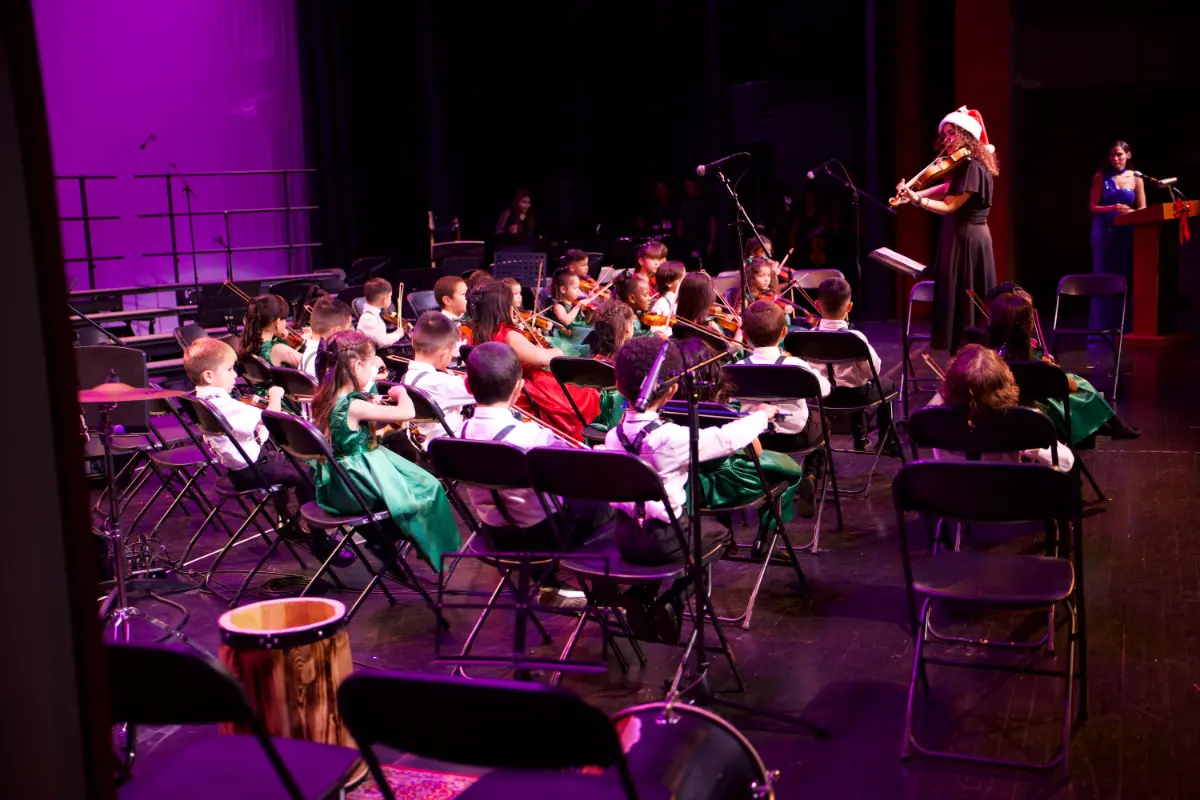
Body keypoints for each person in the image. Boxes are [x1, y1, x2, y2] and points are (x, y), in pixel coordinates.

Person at [601, 337, 780, 639]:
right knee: (717, 536)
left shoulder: (611, 437)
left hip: (625, 537)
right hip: (667, 539)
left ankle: (641, 594)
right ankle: (674, 601)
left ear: (619, 386)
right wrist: (762, 416)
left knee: (681, 536)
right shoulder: (670, 438)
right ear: (672, 390)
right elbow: (727, 439)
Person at [184, 338, 352, 566]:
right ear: (209, 376)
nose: (235, 375)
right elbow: (271, 418)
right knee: (308, 474)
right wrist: (275, 396)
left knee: (289, 462)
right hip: (252, 470)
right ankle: (319, 539)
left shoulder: (202, 399)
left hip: (247, 467)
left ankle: (286, 521)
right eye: (230, 369)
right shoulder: (222, 405)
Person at [311, 331, 460, 572]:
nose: (373, 370)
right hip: (357, 482)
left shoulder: (326, 394)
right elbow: (407, 413)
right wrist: (402, 393)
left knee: (416, 481)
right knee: (429, 488)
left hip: (338, 483)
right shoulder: (354, 405)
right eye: (371, 365)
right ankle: (432, 550)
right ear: (357, 366)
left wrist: (371, 386)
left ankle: (382, 539)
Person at [458, 343, 609, 579]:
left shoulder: (460, 433)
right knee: (604, 504)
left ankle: (546, 581)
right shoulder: (533, 437)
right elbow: (576, 470)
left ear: (467, 386)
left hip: (494, 536)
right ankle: (600, 588)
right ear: (519, 388)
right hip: (542, 537)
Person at [894, 105, 999, 354]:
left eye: (953, 133)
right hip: (957, 237)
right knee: (956, 300)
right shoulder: (963, 165)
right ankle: (959, 357)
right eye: (945, 134)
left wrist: (917, 200)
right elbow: (946, 189)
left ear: (967, 136)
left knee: (965, 303)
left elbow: (950, 205)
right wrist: (913, 194)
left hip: (968, 240)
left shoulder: (973, 167)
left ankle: (969, 356)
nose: (947, 139)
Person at [677, 336, 806, 533]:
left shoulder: (666, 410)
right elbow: (755, 451)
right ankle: (767, 534)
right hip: (726, 485)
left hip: (684, 486)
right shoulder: (724, 413)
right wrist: (752, 421)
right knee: (791, 471)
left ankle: (725, 533)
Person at [987, 291, 1139, 441]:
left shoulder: (989, 358)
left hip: (1003, 419)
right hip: (1039, 416)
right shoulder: (1034, 365)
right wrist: (1053, 369)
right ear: (1027, 325)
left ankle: (1108, 426)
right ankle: (1107, 426)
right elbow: (1069, 386)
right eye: (1031, 317)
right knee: (1080, 388)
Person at [468, 280, 600, 440]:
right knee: (587, 394)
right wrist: (556, 351)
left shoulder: (478, 334)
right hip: (527, 388)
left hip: (499, 386)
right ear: (503, 308)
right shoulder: (508, 335)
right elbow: (542, 359)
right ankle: (586, 437)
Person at [736, 300, 832, 516]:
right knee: (823, 422)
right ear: (784, 332)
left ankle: (767, 481)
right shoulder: (795, 366)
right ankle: (810, 474)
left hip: (756, 441)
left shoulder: (734, 369)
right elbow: (824, 390)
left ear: (745, 335)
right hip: (796, 436)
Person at [930, 344, 1074, 469]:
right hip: (1006, 491)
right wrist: (1030, 450)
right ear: (1004, 386)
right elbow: (1066, 462)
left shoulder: (936, 420)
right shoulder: (1017, 424)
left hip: (953, 492)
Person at [809, 277, 900, 456]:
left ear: (817, 305)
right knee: (885, 384)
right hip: (855, 397)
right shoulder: (855, 337)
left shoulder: (806, 337)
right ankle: (886, 440)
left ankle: (860, 437)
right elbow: (873, 372)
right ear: (849, 307)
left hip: (821, 398)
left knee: (857, 381)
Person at [1089, 140, 1145, 332]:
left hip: (1126, 233)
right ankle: (1101, 329)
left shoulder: (1137, 178)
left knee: (1125, 276)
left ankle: (1124, 327)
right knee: (1104, 276)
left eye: (1119, 154)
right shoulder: (1101, 177)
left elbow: (1143, 209)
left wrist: (1131, 214)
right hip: (1104, 232)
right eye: (1112, 155)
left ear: (1128, 155)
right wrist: (1113, 207)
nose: (1115, 158)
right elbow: (1093, 207)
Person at [399, 312, 476, 449]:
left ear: (412, 342)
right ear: (444, 354)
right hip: (450, 450)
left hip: (422, 447)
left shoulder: (406, 377)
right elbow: (487, 388)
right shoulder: (440, 383)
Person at [588, 299, 635, 433]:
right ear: (628, 327)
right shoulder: (627, 366)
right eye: (632, 323)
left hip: (590, 422)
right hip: (619, 425)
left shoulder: (592, 362)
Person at [238, 294, 304, 378]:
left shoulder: (248, 343)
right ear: (277, 322)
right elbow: (311, 363)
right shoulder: (279, 349)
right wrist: (313, 339)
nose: (286, 324)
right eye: (285, 320)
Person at [300, 298, 353, 379]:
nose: (351, 331)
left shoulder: (311, 352)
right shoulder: (325, 361)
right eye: (349, 328)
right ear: (338, 330)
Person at [678, 176, 717, 272]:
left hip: (703, 242)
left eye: (690, 186)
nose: (688, 189)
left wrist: (711, 242)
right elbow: (680, 220)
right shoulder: (685, 202)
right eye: (686, 186)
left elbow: (712, 221)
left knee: (704, 266)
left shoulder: (706, 200)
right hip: (688, 242)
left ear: (696, 185)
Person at [356, 277, 404, 349]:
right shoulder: (368, 318)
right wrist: (397, 334)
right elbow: (382, 342)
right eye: (390, 296)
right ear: (385, 299)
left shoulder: (374, 315)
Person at [648, 260, 686, 337]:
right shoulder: (661, 304)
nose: (685, 282)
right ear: (669, 283)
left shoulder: (683, 299)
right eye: (681, 279)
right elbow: (656, 331)